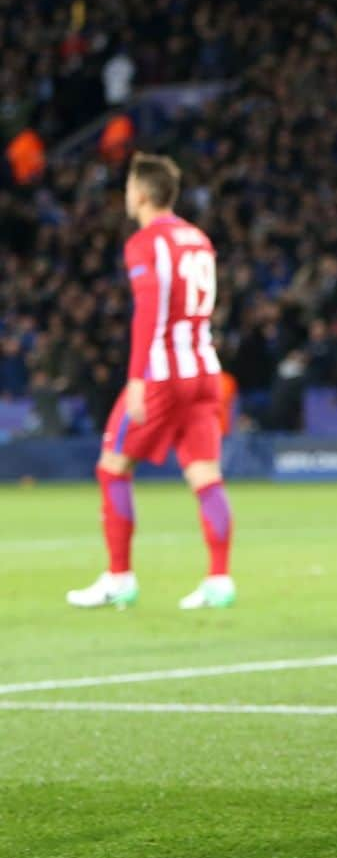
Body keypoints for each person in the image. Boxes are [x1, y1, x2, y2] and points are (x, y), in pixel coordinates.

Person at [66, 152, 236, 611]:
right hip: (205, 370)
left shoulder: (146, 241)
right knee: (206, 476)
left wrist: (137, 379)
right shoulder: (198, 238)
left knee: (112, 467)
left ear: (140, 192)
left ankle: (119, 577)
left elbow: (150, 312)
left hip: (163, 374)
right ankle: (219, 581)